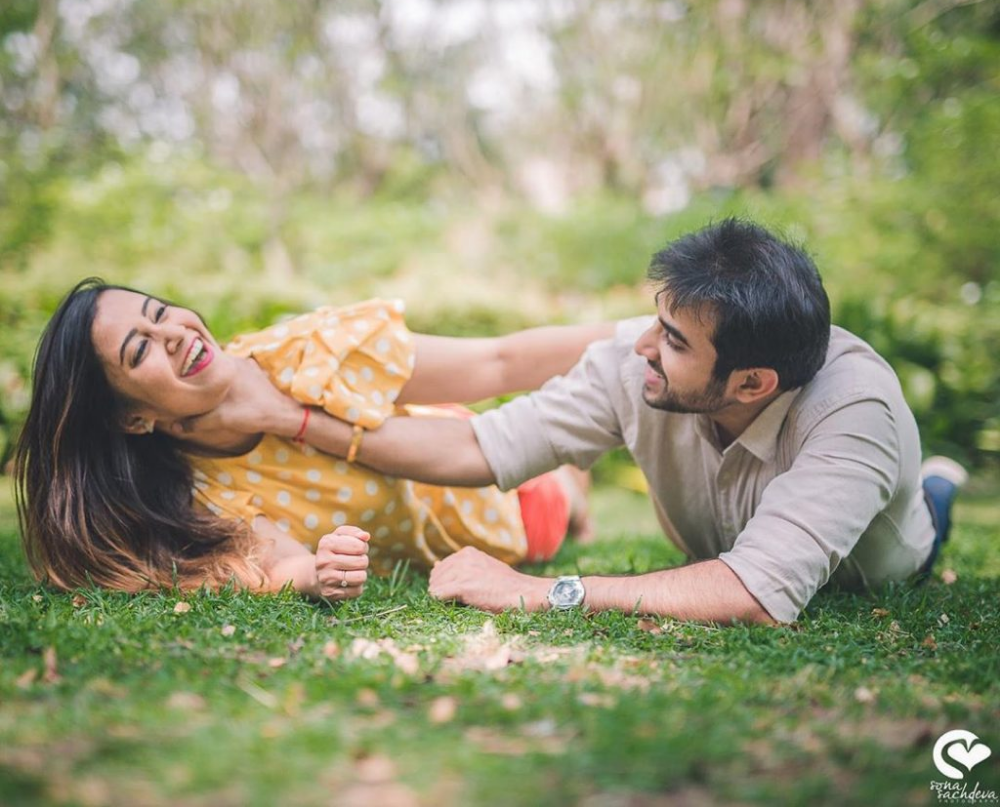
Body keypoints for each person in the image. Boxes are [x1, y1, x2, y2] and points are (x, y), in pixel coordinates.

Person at [193, 218, 967, 625]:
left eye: (672, 340)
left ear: (754, 381)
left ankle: (934, 488)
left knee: (920, 520)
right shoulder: (640, 365)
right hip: (725, 541)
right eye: (656, 321)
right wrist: (297, 420)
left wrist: (537, 594)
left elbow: (757, 594)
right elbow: (475, 443)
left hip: (873, 569)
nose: (640, 346)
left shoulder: (854, 407)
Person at [14, 278, 612, 600]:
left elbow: (499, 362)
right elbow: (277, 566)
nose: (169, 332)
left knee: (558, 492)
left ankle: (572, 485)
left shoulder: (304, 353)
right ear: (131, 419)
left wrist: (638, 332)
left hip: (472, 458)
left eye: (159, 311)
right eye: (140, 348)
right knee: (549, 516)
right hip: (489, 530)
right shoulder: (198, 497)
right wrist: (319, 572)